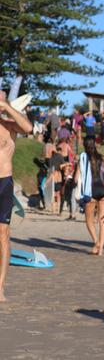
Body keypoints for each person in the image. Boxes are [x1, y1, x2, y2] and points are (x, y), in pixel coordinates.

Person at [0, 90, 33, 301]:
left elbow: (28, 128)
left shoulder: (9, 125)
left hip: (4, 182)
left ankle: (0, 285)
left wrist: (7, 107)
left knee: (3, 234)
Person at [75, 136, 104, 255]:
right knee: (103, 221)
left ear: (85, 145)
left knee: (89, 221)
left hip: (89, 192)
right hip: (103, 191)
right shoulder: (102, 158)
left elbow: (76, 179)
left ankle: (96, 241)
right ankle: (100, 249)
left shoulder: (82, 158)